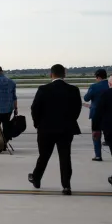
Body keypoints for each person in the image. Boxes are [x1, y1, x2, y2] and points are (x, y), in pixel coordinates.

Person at [28, 64, 82, 195]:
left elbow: (35, 108)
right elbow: (77, 109)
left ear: (50, 74)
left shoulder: (43, 89)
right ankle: (66, 186)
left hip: (46, 128)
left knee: (44, 155)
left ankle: (36, 178)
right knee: (65, 157)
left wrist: (37, 124)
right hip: (66, 128)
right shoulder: (73, 89)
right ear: (65, 74)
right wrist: (70, 121)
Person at [82, 68, 109, 162]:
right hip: (110, 114)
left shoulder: (94, 86)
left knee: (96, 135)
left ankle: (98, 155)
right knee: (111, 134)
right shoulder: (111, 85)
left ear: (98, 77)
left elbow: (86, 98)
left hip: (96, 114)